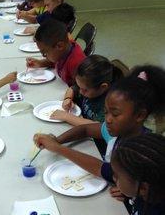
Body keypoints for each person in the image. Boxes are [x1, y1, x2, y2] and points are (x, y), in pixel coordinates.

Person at [33, 65, 165, 200]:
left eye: (115, 114)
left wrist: (58, 148)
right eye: (106, 112)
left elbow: (102, 169)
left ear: (139, 115)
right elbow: (86, 129)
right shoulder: (120, 129)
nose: (107, 119)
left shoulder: (143, 151)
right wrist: (57, 140)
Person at [50, 55, 124, 125]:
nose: (80, 92)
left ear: (103, 87)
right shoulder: (87, 85)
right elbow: (72, 89)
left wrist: (66, 117)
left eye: (84, 90)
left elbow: (99, 127)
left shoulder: (111, 103)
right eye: (80, 87)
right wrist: (68, 98)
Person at [26, 19, 85, 87]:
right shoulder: (63, 52)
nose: (45, 56)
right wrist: (41, 63)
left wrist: (70, 94)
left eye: (45, 53)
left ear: (59, 46)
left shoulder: (76, 65)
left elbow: (81, 90)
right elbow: (56, 62)